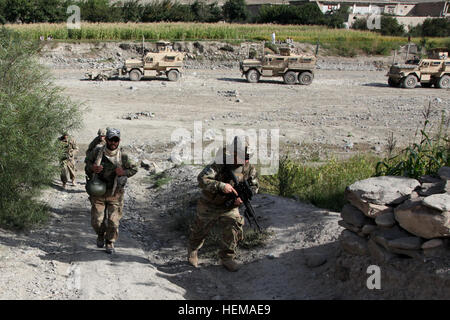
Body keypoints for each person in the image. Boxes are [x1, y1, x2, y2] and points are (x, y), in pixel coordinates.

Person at [187, 136, 259, 272]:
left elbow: (254, 186)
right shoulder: (220, 162)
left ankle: (227, 257)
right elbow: (202, 179)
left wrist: (242, 199)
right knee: (200, 229)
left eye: (248, 156)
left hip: (230, 205)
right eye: (244, 156)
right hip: (209, 204)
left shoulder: (249, 168)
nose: (246, 160)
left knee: (234, 227)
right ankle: (193, 250)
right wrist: (220, 186)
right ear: (234, 152)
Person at [84, 128, 138, 254]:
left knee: (113, 221)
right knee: (97, 220)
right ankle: (101, 234)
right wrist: (93, 168)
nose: (113, 142)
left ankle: (110, 242)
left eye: (116, 140)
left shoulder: (123, 156)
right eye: (111, 139)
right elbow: (87, 163)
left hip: (115, 193)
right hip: (98, 192)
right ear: (106, 139)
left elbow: (134, 169)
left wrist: (124, 172)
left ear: (119, 141)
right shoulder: (97, 151)